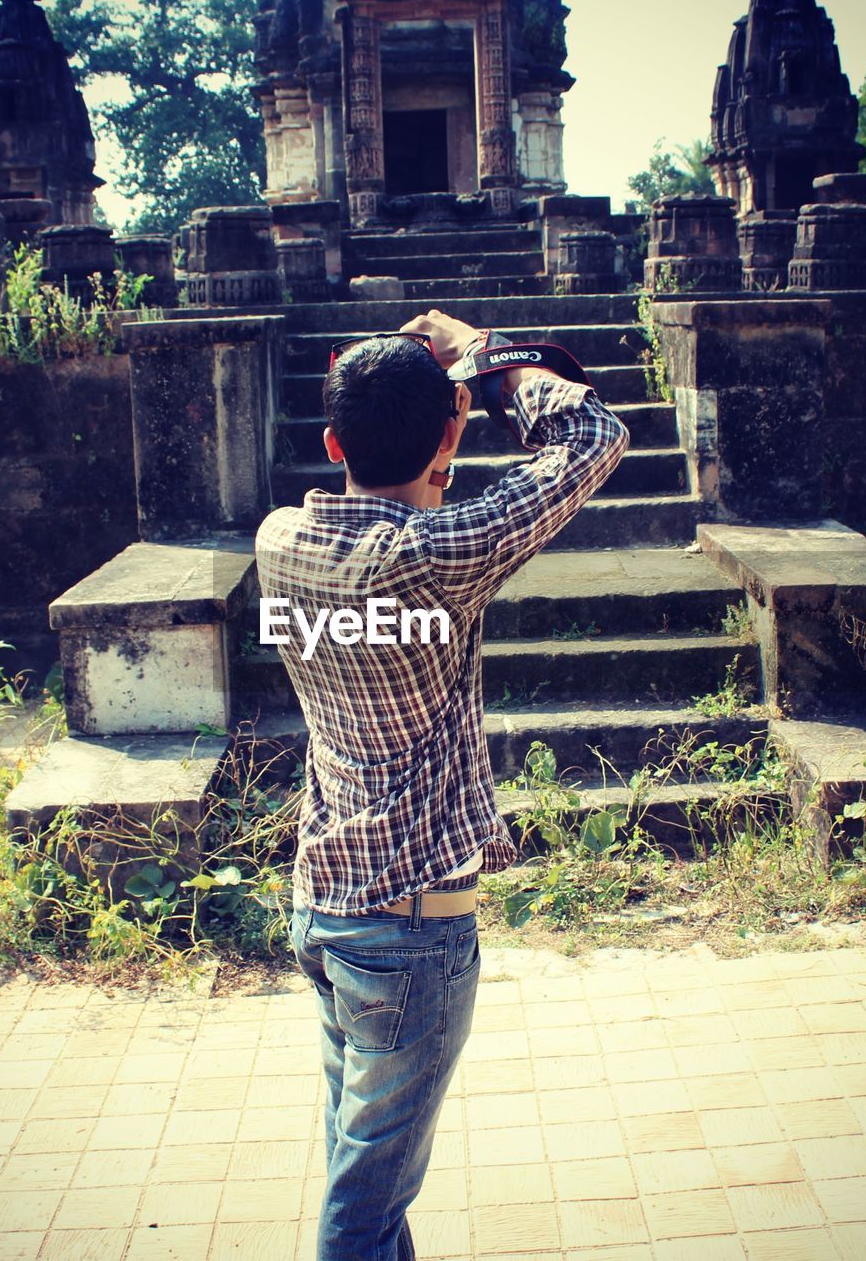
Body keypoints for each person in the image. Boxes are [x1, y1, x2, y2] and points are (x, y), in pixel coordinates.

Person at [254, 309, 629, 1260]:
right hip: (412, 931)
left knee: (362, 1168)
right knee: (367, 1206)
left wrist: (436, 416)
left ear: (333, 441)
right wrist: (490, 363)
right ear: (451, 433)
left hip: (326, 905)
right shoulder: (435, 556)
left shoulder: (280, 541)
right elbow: (597, 435)